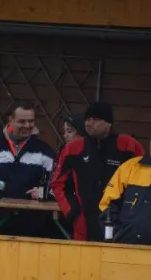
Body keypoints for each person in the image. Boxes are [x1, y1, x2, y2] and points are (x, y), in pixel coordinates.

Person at [51, 101, 144, 241]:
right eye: (87, 119)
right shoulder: (73, 148)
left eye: (95, 119)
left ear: (108, 123)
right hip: (84, 220)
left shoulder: (128, 146)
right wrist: (71, 210)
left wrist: (131, 212)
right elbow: (58, 184)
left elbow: (144, 180)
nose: (89, 123)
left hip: (120, 219)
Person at [0, 102, 56, 237]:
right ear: (10, 120)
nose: (27, 126)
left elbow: (58, 186)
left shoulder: (45, 152)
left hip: (33, 228)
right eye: (22, 121)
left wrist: (44, 193)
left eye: (31, 121)